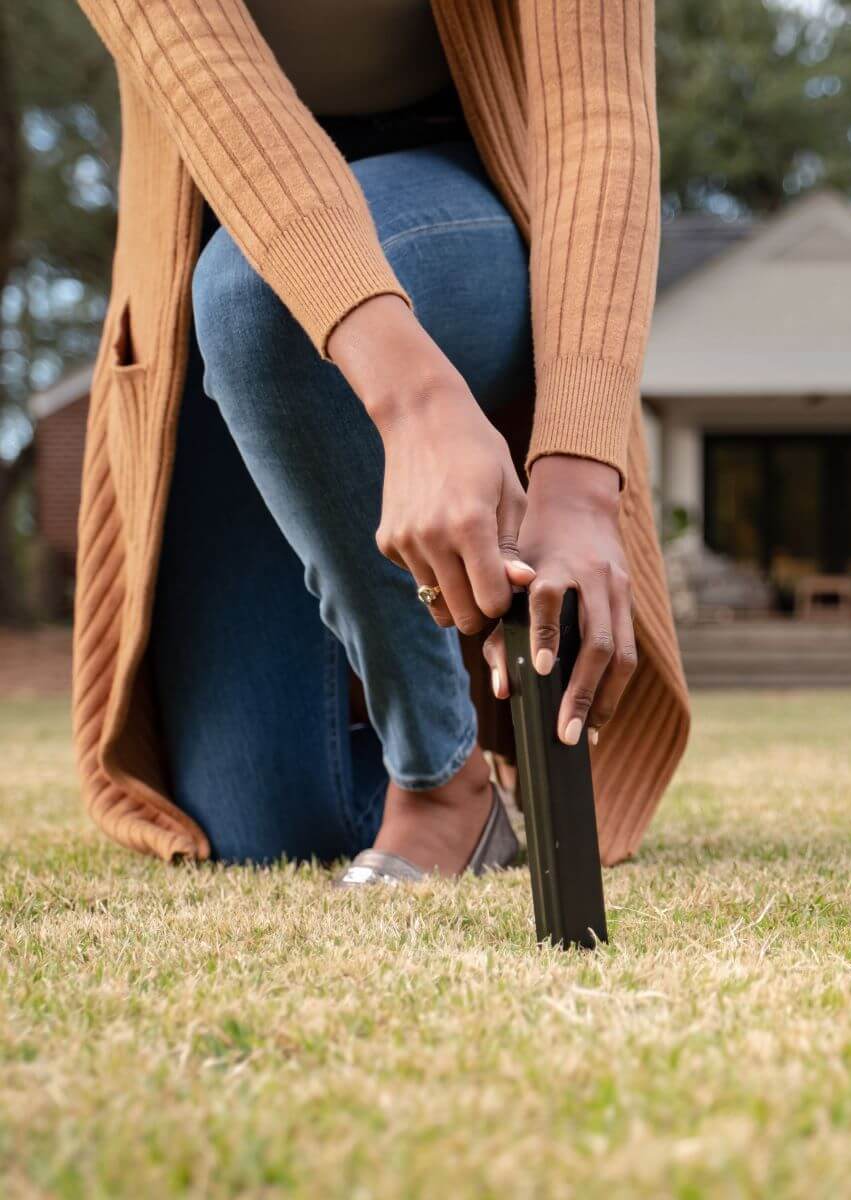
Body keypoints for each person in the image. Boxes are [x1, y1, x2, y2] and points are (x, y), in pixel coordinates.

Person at [71, 0, 690, 883]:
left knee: (259, 298)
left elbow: (597, 120)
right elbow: (199, 65)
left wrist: (580, 478)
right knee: (271, 821)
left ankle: (442, 783)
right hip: (229, 213)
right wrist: (411, 406)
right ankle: (407, 707)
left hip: (463, 199)